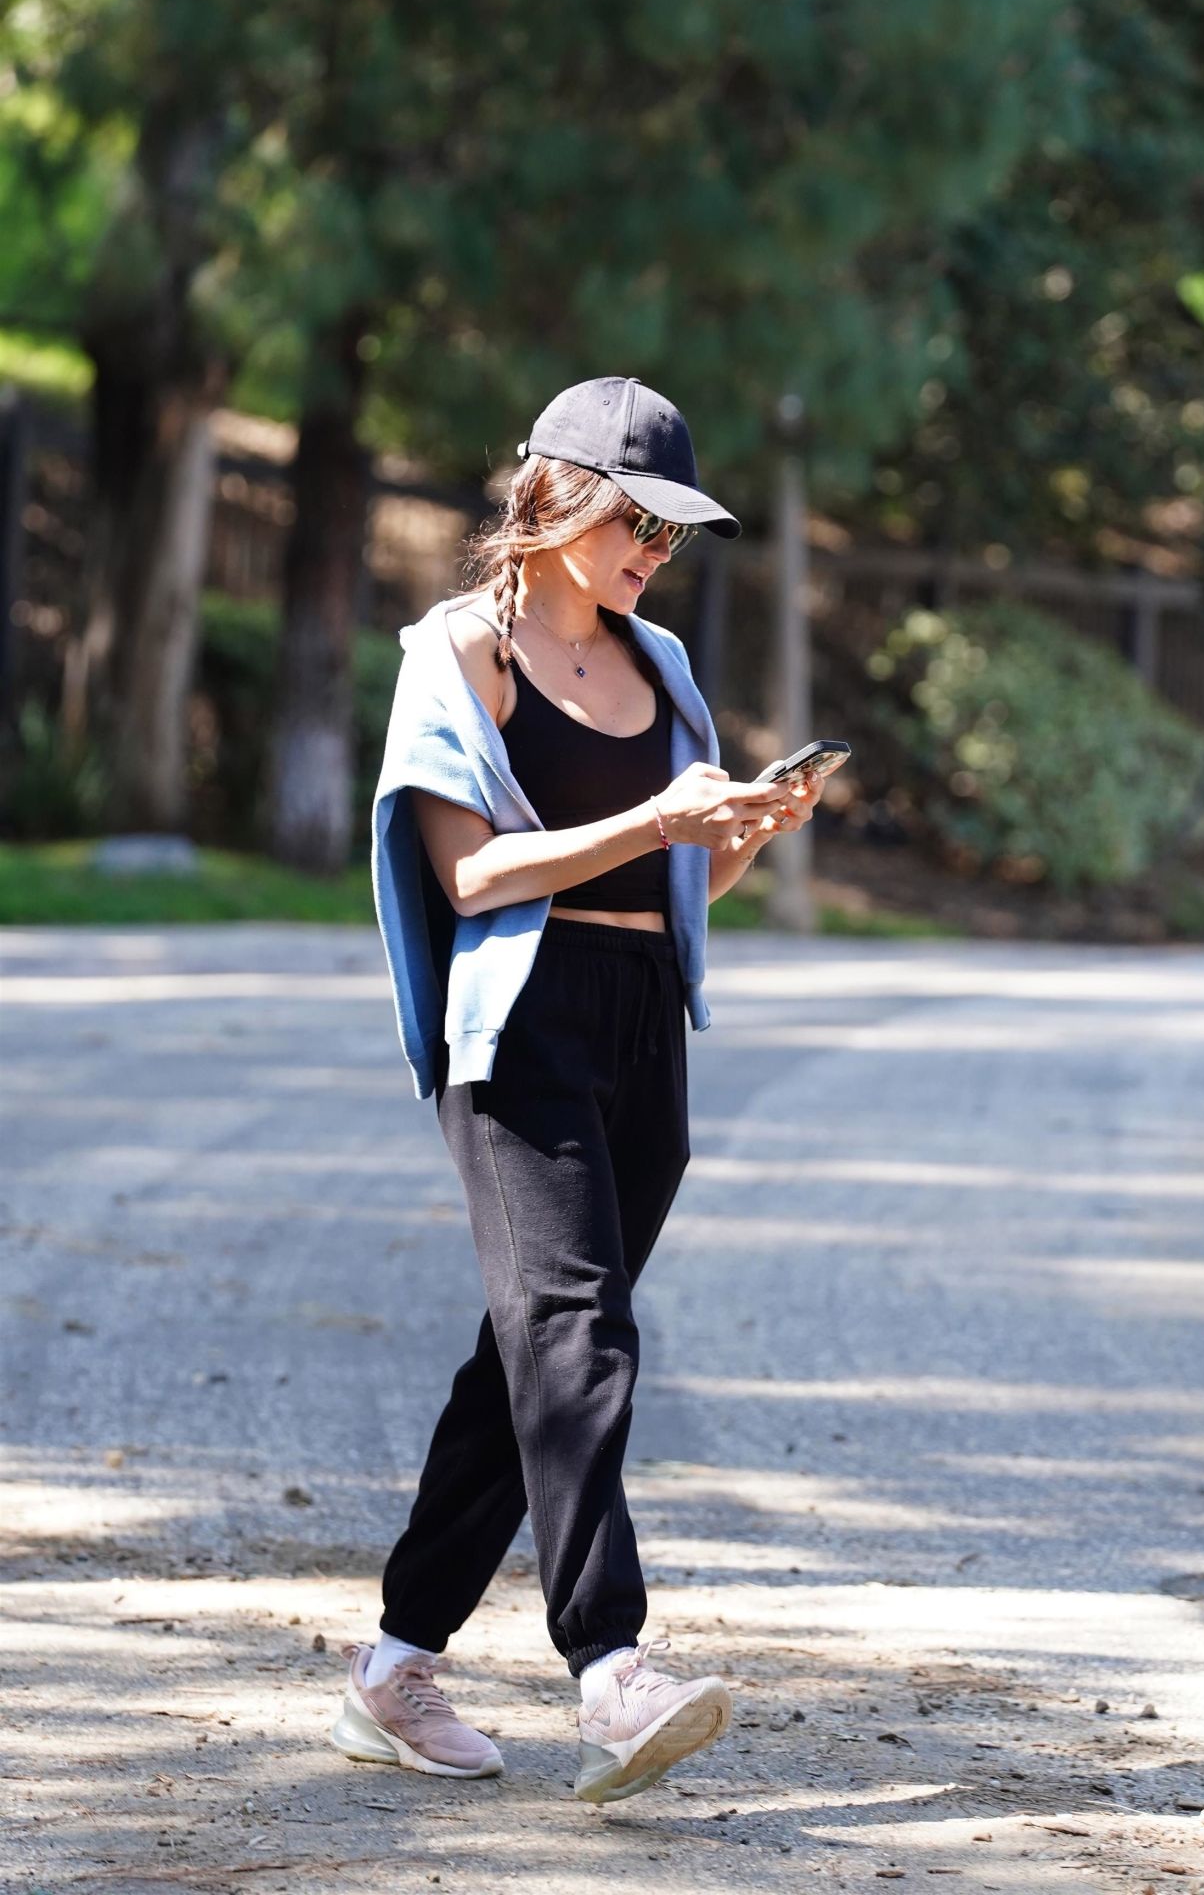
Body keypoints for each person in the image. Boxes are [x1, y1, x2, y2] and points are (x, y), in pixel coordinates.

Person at [332, 376, 825, 1803]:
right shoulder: (461, 657)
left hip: (641, 1023)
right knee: (578, 1330)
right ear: (556, 501)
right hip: (518, 1027)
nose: (653, 557)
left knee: (530, 1358)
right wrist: (654, 813)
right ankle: (612, 1666)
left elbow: (680, 879)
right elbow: (471, 872)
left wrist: (740, 831)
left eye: (671, 539)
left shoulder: (659, 662)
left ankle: (391, 1668)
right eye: (636, 526)